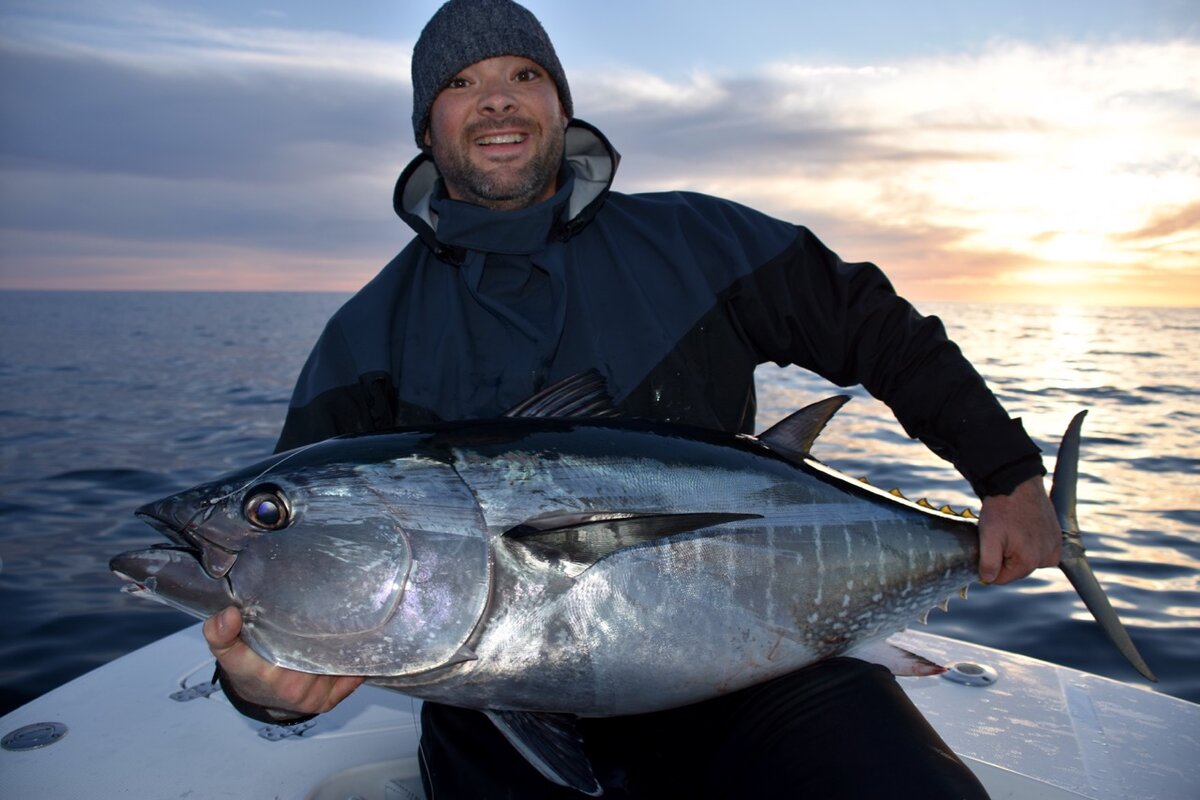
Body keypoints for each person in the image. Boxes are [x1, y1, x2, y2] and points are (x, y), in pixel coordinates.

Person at [203, 0, 1062, 796]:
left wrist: (1009, 474)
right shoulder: (369, 334)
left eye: (523, 76)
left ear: (561, 104)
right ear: (428, 125)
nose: (496, 102)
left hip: (757, 658)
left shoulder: (699, 241)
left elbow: (875, 328)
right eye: (462, 85)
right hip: (492, 705)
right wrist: (262, 686)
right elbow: (294, 544)